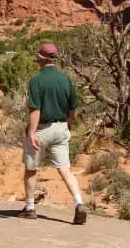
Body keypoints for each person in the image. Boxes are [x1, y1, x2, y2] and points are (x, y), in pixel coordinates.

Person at [21, 43, 86, 224]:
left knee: (31, 168)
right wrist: (69, 125)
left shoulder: (36, 80)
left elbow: (35, 109)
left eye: (38, 55)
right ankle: (79, 202)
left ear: (42, 58)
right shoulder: (66, 79)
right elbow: (73, 107)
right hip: (61, 128)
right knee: (65, 169)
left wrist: (32, 132)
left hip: (42, 130)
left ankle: (30, 207)